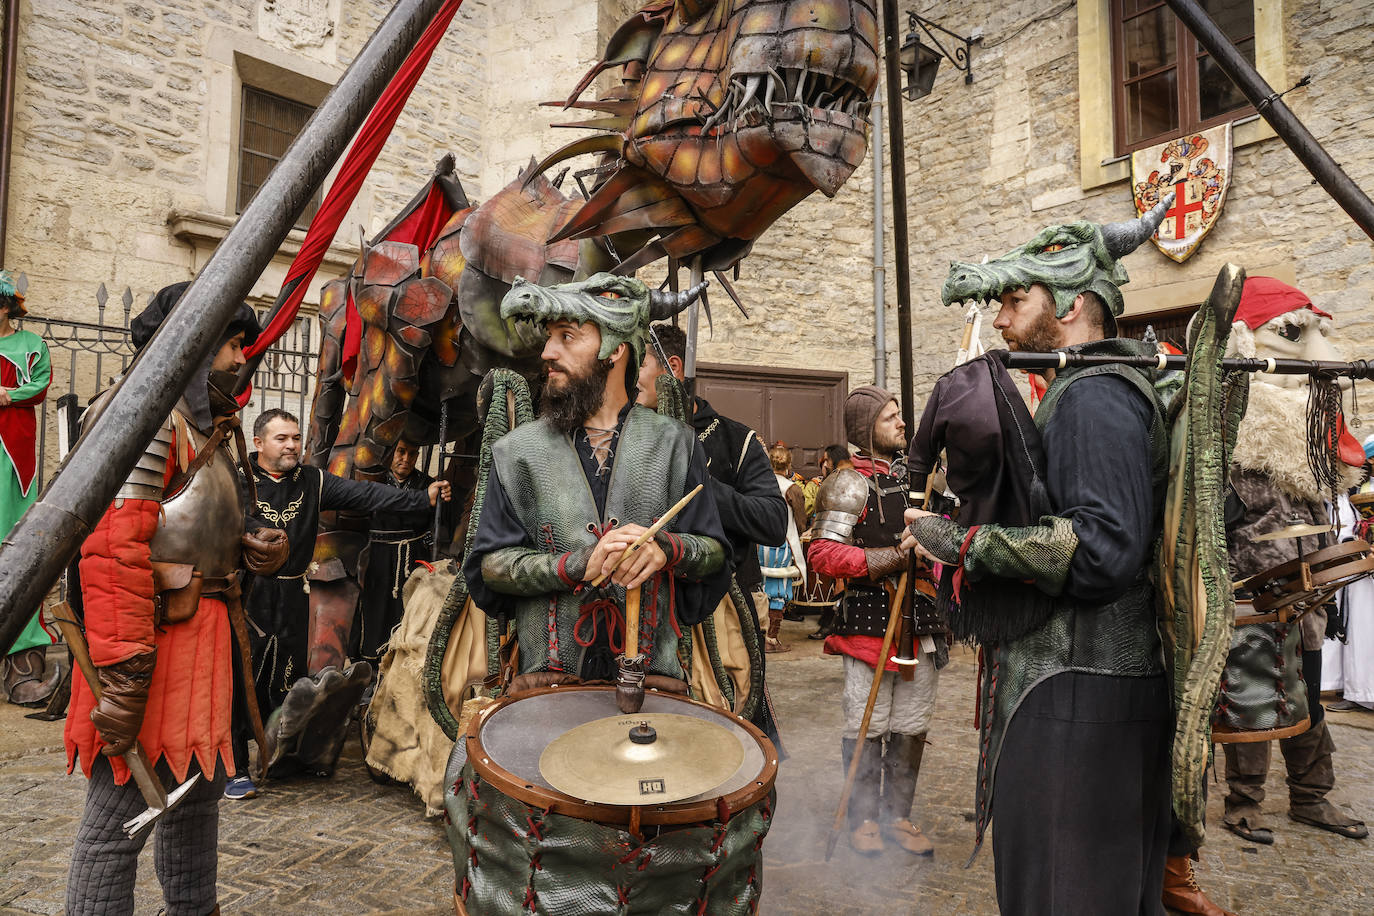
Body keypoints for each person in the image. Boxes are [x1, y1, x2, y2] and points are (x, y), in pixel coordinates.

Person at [905, 207, 1173, 911]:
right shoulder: (1081, 387)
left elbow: (1102, 550)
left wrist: (962, 544)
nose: (999, 320)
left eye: (1015, 300)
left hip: (1083, 699)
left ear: (1077, 302)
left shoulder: (1094, 393)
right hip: (1075, 693)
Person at [64, 282, 287, 916]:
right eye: (231, 345)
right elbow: (112, 550)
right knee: (118, 824)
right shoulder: (144, 417)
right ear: (190, 346)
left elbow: (186, 527)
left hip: (201, 646)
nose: (240, 360)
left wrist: (245, 547)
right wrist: (126, 676)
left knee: (195, 805)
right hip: (148, 649)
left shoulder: (200, 426)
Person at [465, 273, 729, 689]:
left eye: (567, 337)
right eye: (550, 337)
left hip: (653, 686)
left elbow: (714, 553)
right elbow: (491, 568)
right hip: (546, 687)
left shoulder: (677, 443)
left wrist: (668, 550)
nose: (548, 352)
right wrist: (574, 564)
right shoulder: (516, 452)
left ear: (615, 350)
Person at [227, 409, 450, 798]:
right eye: (282, 439)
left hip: (294, 596)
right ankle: (233, 768)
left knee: (289, 682)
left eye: (296, 437)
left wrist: (421, 499)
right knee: (241, 681)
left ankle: (284, 757)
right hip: (250, 596)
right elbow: (224, 521)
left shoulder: (311, 480)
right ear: (258, 443)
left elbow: (366, 494)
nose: (293, 445)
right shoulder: (237, 480)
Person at [1218, 276, 1368, 845]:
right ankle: (1243, 804)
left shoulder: (1309, 433)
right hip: (1252, 593)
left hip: (1307, 593)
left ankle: (1312, 797)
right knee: (1254, 698)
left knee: (1307, 692)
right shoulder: (1230, 435)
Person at [808, 385, 943, 857]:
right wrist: (891, 557)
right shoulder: (849, 484)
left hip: (920, 618)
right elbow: (822, 554)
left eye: (900, 415)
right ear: (867, 431)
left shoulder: (922, 480)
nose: (902, 423)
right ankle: (864, 816)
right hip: (868, 620)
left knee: (911, 720)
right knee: (869, 721)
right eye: (890, 418)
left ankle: (897, 817)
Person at [636, 323, 788, 657]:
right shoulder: (624, 438)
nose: (630, 374)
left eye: (640, 363)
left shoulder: (736, 440)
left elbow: (774, 523)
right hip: (642, 613)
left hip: (723, 610)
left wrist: (697, 483)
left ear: (673, 368)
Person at [0, 269, 60, 707]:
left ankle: (22, 668)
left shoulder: (29, 345)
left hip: (10, 462)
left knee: (15, 552)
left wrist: (8, 394)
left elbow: (39, 385)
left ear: (5, 307)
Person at [354, 436, 434, 668]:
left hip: (413, 557)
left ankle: (403, 665)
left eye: (412, 453)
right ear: (390, 453)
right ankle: (370, 663)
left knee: (409, 611)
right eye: (400, 451)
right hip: (377, 557)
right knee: (376, 609)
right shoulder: (374, 481)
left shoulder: (426, 484)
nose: (405, 459)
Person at [758, 443, 807, 642]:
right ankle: (771, 638)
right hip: (783, 545)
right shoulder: (792, 489)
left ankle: (758, 634)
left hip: (759, 545)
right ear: (788, 465)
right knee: (778, 589)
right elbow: (801, 520)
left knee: (760, 588)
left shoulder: (759, 484)